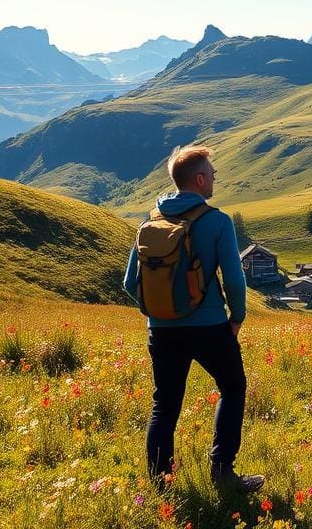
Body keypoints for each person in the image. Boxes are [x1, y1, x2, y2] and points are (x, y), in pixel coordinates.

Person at [124, 144, 264, 492]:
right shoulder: (217, 221)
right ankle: (222, 473)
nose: (215, 178)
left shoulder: (150, 220)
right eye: (212, 174)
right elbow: (234, 279)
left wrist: (159, 313)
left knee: (164, 404)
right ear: (199, 179)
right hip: (209, 326)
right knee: (232, 387)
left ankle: (161, 486)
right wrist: (237, 317)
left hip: (161, 331)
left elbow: (129, 283)